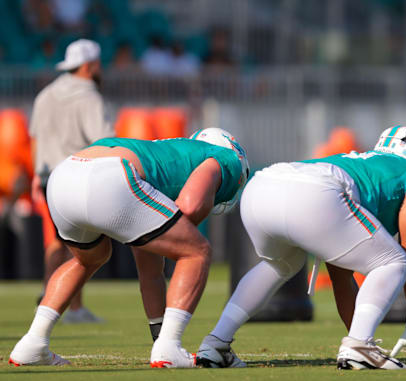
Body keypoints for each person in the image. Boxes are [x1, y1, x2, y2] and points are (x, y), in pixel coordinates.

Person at [196, 126, 406, 370]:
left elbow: (341, 278)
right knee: (395, 262)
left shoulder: (357, 166)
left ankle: (216, 343)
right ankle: (359, 346)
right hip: (316, 192)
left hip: (261, 186)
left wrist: (358, 336)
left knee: (281, 264)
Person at [9, 128, 249, 368]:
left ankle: (32, 344)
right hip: (108, 177)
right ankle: (169, 347)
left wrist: (159, 336)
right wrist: (183, 238)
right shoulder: (224, 157)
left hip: (63, 177)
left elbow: (151, 271)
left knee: (89, 259)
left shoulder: (160, 155)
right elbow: (189, 205)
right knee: (197, 251)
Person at [30, 39, 113, 323]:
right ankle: (72, 307)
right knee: (82, 246)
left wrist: (35, 175)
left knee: (55, 242)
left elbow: (35, 138)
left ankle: (49, 298)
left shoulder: (45, 95)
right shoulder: (89, 96)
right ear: (90, 66)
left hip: (46, 176)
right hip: (78, 176)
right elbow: (103, 140)